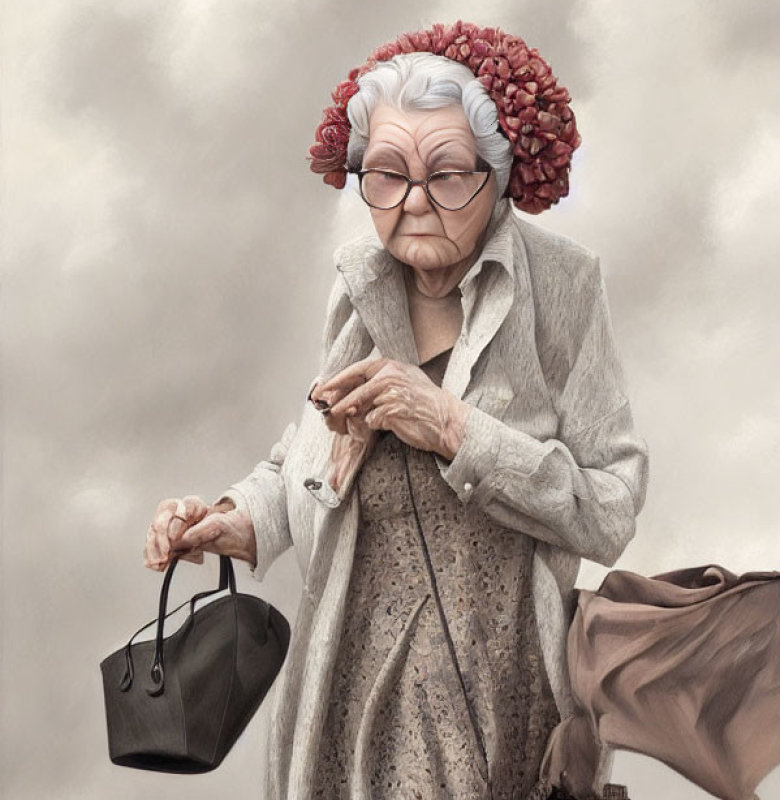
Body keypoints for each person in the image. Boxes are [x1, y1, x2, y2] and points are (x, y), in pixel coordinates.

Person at [142, 22, 648, 800]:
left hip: (495, 685)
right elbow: (306, 457)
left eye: (446, 175)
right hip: (349, 678)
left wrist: (452, 426)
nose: (412, 203)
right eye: (384, 174)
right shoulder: (358, 283)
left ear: (501, 173)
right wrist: (234, 520)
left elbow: (610, 505)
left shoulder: (562, 287)